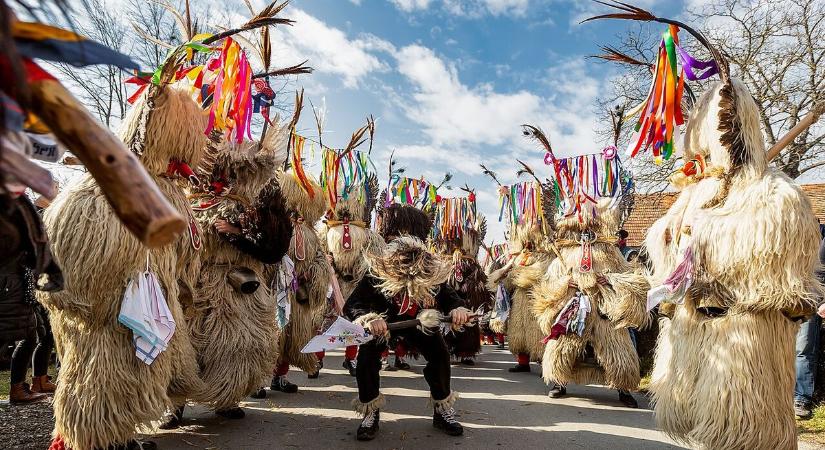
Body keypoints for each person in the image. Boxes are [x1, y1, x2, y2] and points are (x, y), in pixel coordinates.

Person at [344, 204, 470, 441]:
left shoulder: (430, 268)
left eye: (410, 236)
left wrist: (458, 309)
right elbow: (353, 304)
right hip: (383, 325)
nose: (404, 244)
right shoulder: (377, 270)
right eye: (397, 237)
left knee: (440, 354)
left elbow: (448, 296)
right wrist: (370, 319)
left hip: (419, 324)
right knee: (367, 358)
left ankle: (442, 409)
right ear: (388, 238)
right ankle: (370, 411)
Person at [1, 180, 62, 404]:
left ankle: (37, 381)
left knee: (40, 334)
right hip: (11, 285)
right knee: (27, 335)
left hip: (23, 283)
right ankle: (18, 389)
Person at [794, 227, 825, 419]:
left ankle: (801, 398)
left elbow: (822, 273)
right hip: (789, 296)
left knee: (804, 347)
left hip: (812, 298)